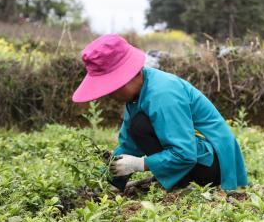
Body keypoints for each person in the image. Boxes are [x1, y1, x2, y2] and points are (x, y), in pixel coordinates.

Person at [72, 34, 248, 192]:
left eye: (111, 86)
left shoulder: (163, 93)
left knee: (141, 124)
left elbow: (185, 153)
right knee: (138, 126)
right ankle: (178, 179)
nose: (109, 94)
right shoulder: (137, 95)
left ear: (130, 75)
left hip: (213, 164)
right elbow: (129, 144)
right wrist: (107, 180)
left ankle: (183, 182)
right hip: (197, 157)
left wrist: (140, 164)